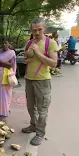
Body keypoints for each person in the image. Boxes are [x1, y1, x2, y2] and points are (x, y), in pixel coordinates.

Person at [22, 18, 58, 146]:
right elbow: (26, 58)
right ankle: (33, 125)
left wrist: (37, 52)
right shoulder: (29, 43)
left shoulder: (50, 43)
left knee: (42, 110)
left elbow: (54, 63)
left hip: (43, 81)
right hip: (29, 79)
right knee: (31, 107)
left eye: (39, 29)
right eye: (34, 30)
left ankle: (40, 133)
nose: (37, 32)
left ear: (44, 29)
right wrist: (27, 58)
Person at [0, 37, 17, 117]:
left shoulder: (11, 52)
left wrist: (0, 61)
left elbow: (10, 65)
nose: (4, 45)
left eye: (6, 43)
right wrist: (3, 64)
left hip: (7, 76)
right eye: (3, 43)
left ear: (9, 43)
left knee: (6, 93)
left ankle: (5, 110)